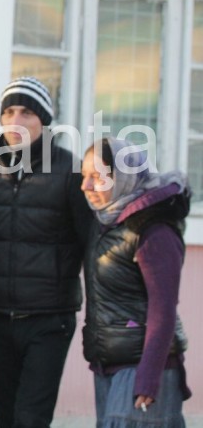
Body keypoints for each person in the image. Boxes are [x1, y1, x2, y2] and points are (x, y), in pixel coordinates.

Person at [0, 77, 92, 428]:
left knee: (30, 419)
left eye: (26, 112)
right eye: (8, 112)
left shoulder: (70, 171)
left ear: (44, 120)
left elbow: (93, 246)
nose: (15, 121)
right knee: (8, 419)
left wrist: (99, 322)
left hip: (50, 319)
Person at [80, 137, 192, 427]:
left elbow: (163, 308)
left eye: (97, 177)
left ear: (124, 178)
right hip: (109, 366)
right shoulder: (106, 223)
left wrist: (149, 377)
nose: (86, 186)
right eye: (84, 176)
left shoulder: (153, 230)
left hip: (144, 369)